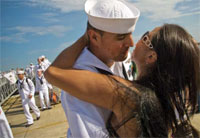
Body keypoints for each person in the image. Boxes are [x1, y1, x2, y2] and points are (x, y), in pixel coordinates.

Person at [45, 24, 200, 137]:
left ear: (151, 57)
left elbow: (54, 72)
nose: (132, 42)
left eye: (145, 36)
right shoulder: (168, 99)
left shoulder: (127, 94)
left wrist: (88, 36)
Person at [56, 0, 140, 137]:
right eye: (121, 37)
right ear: (94, 37)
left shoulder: (120, 56)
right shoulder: (78, 82)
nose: (131, 43)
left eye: (130, 34)